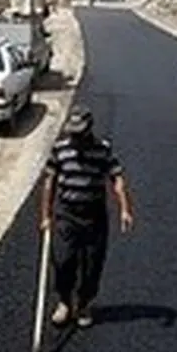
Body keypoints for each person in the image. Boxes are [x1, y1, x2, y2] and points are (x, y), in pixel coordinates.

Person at [38, 106, 134, 328]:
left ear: (90, 129)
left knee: (92, 265)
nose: (76, 138)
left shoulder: (103, 150)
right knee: (63, 260)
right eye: (73, 133)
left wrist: (125, 209)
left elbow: (117, 178)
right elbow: (49, 181)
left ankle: (83, 304)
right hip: (66, 214)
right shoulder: (60, 149)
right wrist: (45, 215)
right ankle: (64, 302)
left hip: (94, 217)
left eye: (80, 134)